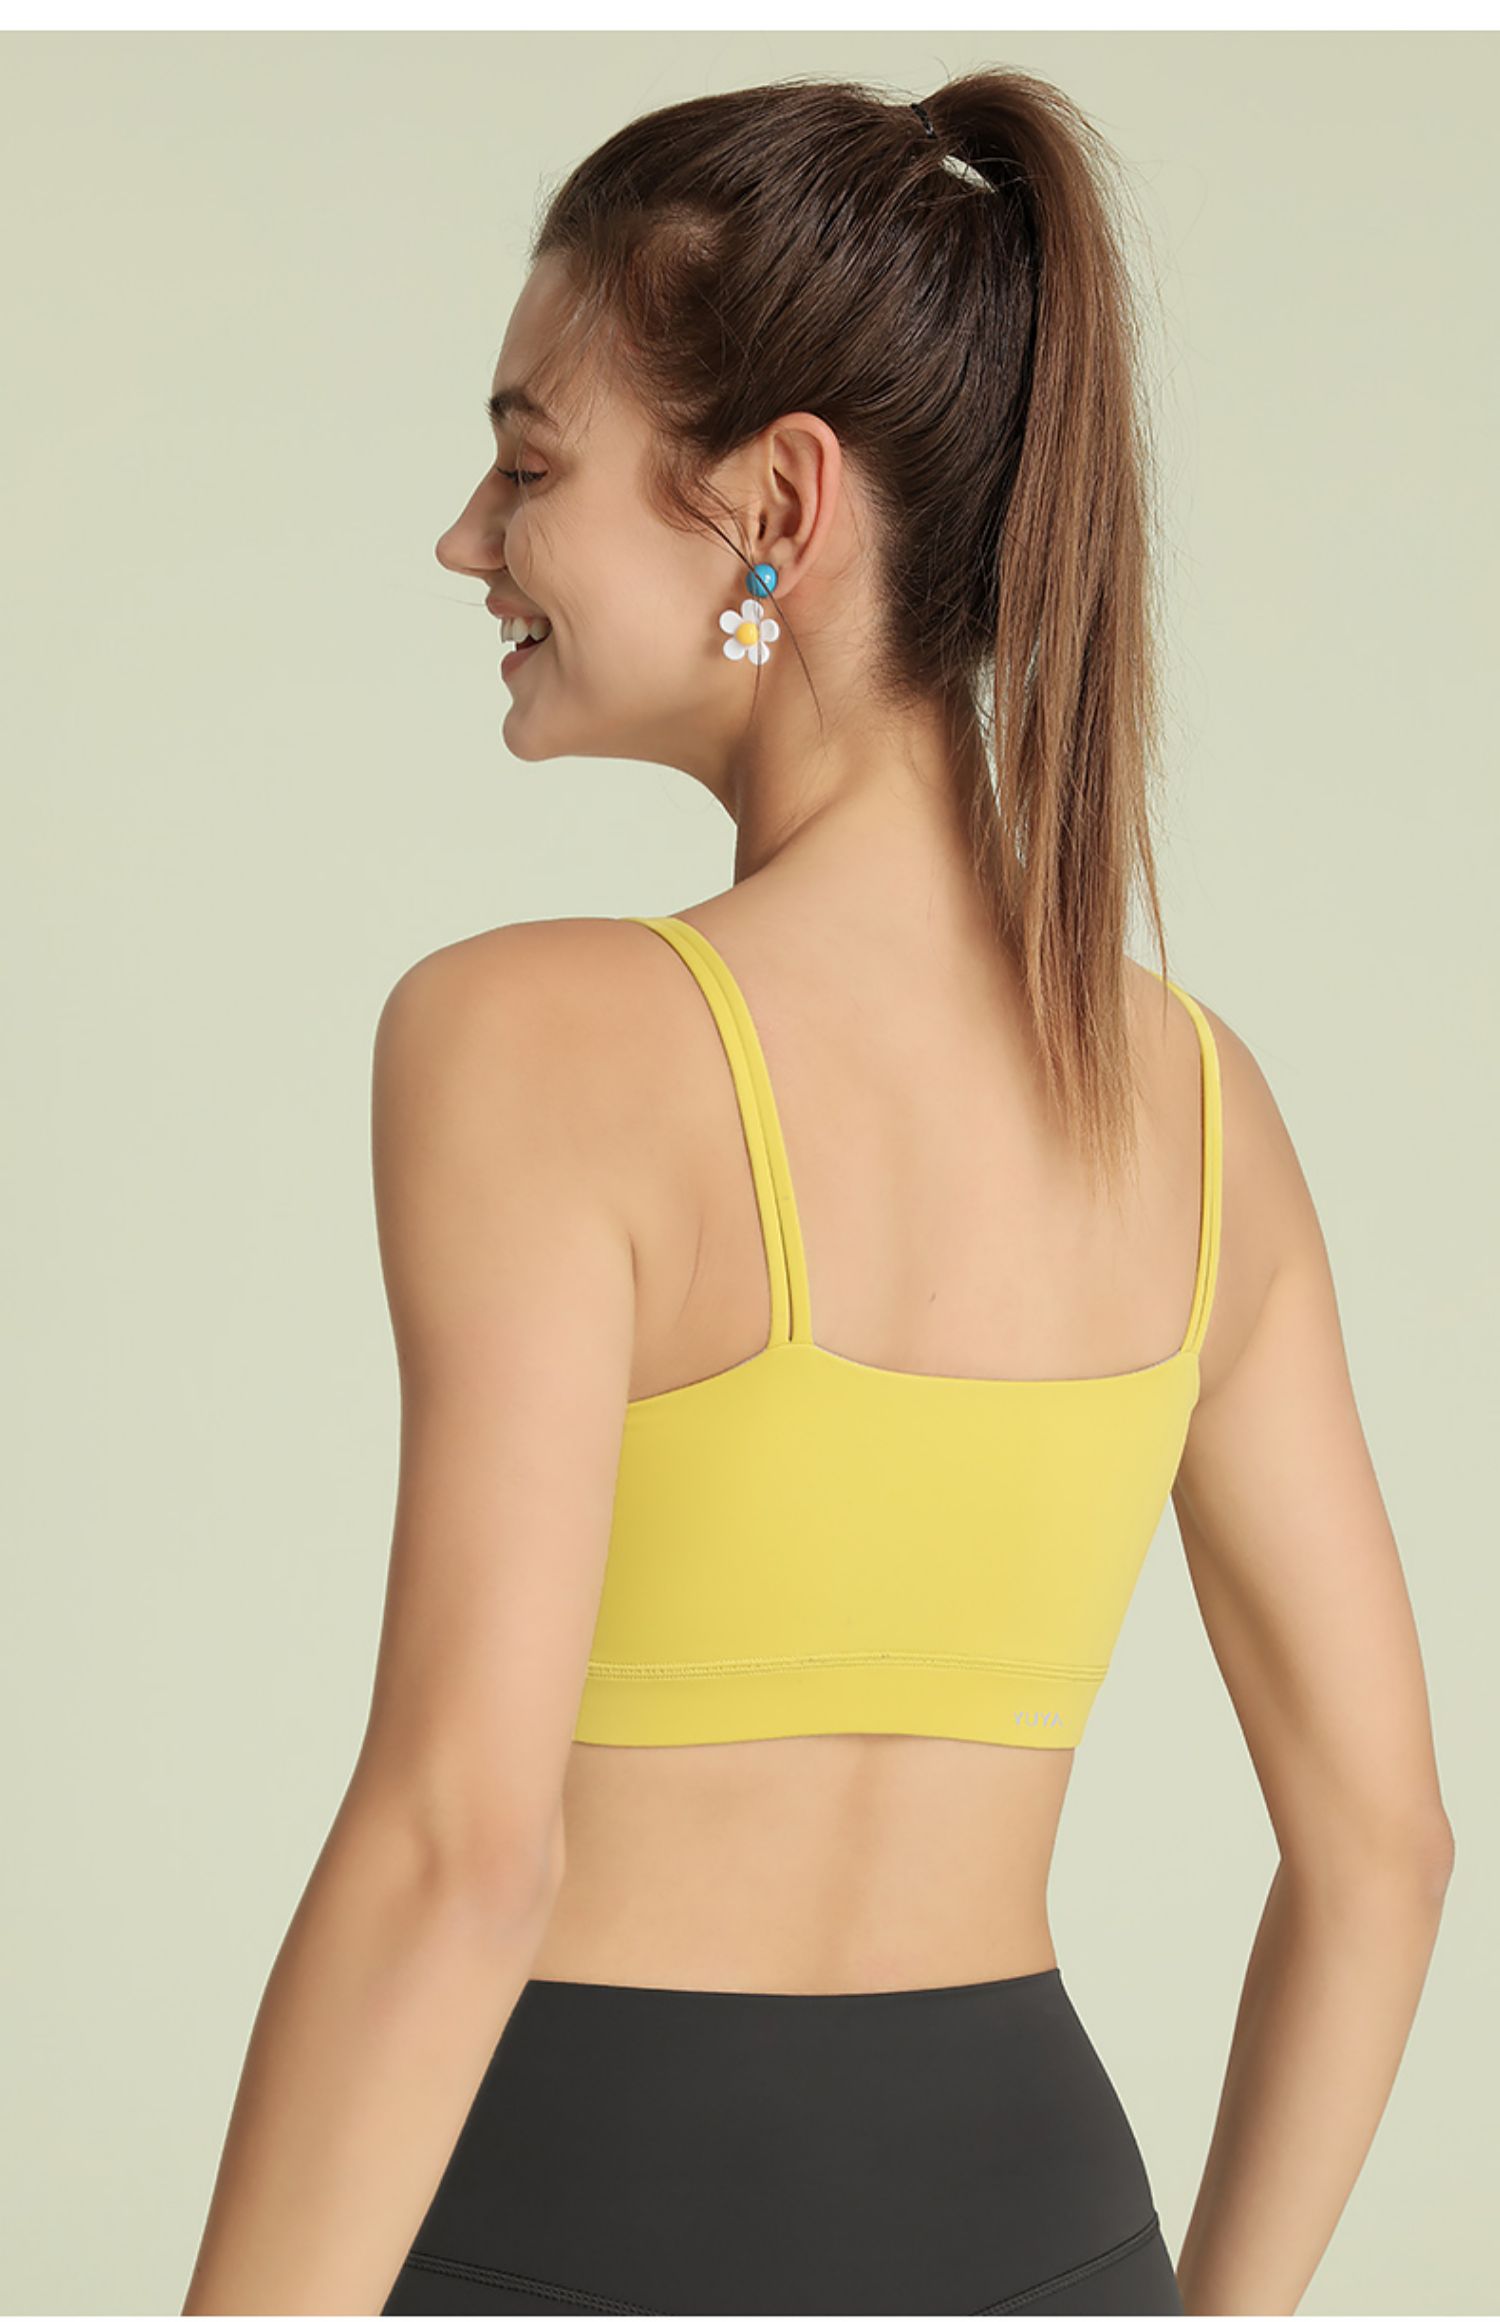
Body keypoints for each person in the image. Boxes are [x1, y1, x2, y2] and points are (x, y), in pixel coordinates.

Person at [182, 69, 1454, 2320]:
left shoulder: (527, 1039)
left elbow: (462, 1852)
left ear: (777, 500)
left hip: (573, 2238)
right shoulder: (1198, 1110)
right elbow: (1387, 1849)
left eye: (529, 465)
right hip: (1056, 2242)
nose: (468, 540)